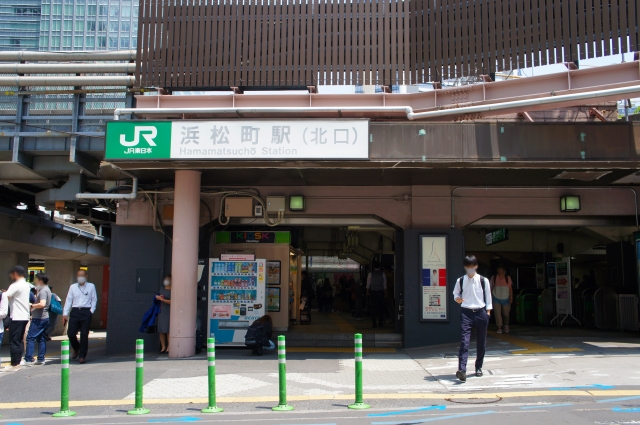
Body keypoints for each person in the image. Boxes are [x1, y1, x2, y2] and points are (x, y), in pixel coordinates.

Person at [453, 255, 492, 383]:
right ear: (465, 267)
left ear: (476, 266)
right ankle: (462, 370)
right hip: (466, 313)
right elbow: (456, 294)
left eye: (472, 266)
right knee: (464, 341)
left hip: (481, 312)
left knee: (481, 342)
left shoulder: (483, 280)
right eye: (468, 267)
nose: (470, 269)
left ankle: (478, 367)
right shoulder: (460, 281)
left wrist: (488, 312)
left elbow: (488, 296)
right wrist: (457, 299)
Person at [62, 269, 98, 364]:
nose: (80, 277)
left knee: (84, 334)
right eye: (78, 276)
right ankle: (76, 348)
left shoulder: (91, 286)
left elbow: (94, 299)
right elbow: (69, 300)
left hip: (86, 311)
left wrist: (91, 311)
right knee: (71, 333)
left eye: (82, 275)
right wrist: (65, 313)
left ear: (86, 276)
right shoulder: (73, 287)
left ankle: (82, 356)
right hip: (75, 311)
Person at [2, 266, 31, 371]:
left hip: (17, 316)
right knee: (19, 340)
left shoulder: (15, 285)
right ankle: (18, 361)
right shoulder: (26, 285)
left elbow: (6, 296)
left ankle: (14, 363)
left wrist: (4, 293)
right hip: (24, 316)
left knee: (14, 340)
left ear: (15, 273)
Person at [23, 273, 51, 366]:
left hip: (39, 318)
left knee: (30, 338)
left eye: (36, 279)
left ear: (40, 280)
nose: (35, 281)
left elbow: (42, 304)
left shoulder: (43, 291)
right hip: (44, 318)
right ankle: (41, 358)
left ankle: (28, 358)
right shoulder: (47, 289)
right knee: (41, 338)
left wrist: (32, 305)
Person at [490, 264, 513, 334]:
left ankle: (506, 324)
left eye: (501, 269)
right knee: (497, 313)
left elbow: (510, 288)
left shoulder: (507, 278)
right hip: (496, 297)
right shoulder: (493, 278)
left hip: (505, 298)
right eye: (498, 269)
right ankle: (499, 327)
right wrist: (490, 297)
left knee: (506, 313)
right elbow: (491, 288)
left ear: (504, 271)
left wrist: (511, 297)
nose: (499, 271)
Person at [367, 262, 387, 328]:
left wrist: (367, 292)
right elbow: (384, 286)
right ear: (379, 267)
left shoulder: (370, 274)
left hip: (373, 292)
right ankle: (380, 322)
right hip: (380, 292)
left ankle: (374, 323)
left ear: (373, 267)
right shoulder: (383, 274)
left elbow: (368, 285)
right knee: (380, 307)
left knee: (373, 308)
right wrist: (386, 294)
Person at [156, 275, 172, 354]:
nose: (166, 281)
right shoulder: (162, 289)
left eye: (168, 279)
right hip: (161, 310)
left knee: (169, 330)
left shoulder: (173, 289)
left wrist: (162, 299)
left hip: (169, 311)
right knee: (161, 330)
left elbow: (172, 301)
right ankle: (163, 347)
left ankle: (169, 346)